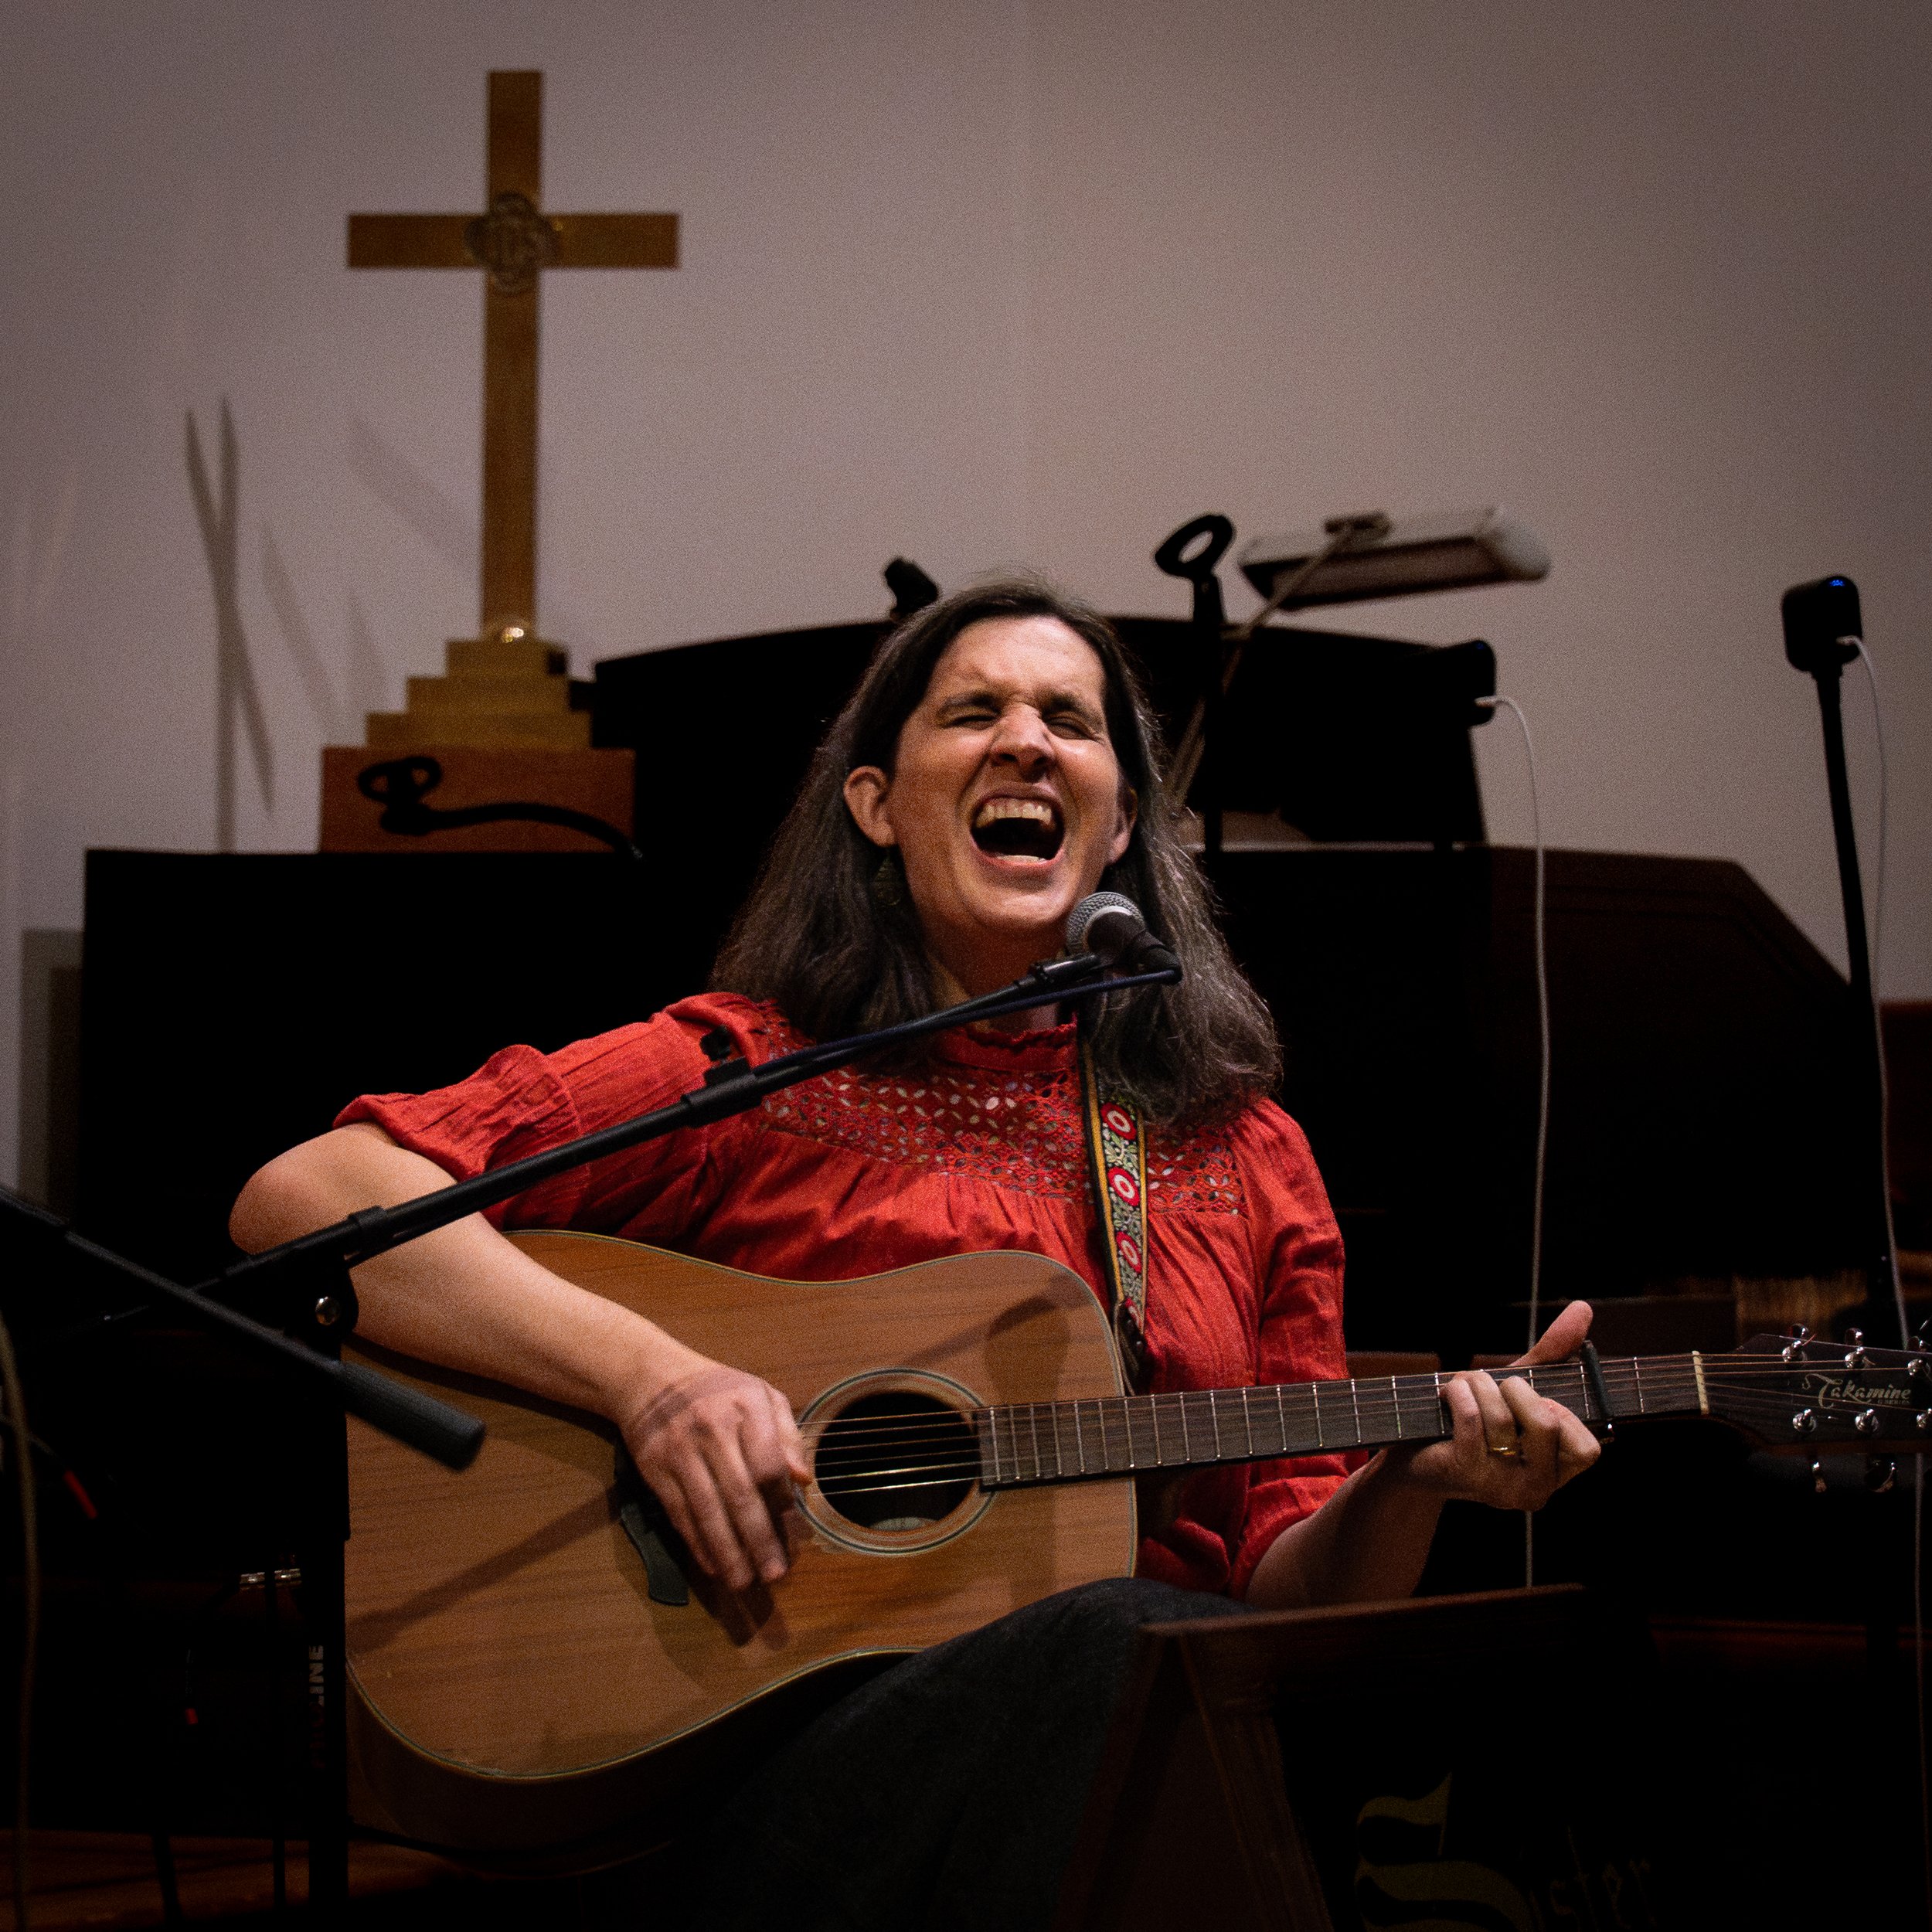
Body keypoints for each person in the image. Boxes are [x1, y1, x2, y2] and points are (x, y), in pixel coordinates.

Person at [232, 578, 1599, 1927]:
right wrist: (650, 1382)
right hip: (755, 1767)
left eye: (1070, 718)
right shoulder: (743, 1073)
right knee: (1132, 1642)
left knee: (1267, 1676)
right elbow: (310, 1195)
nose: (1025, 741)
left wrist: (1414, 1482)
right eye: (974, 712)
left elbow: (1283, 1607)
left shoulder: (1242, 1155)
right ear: (877, 805)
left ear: (1122, 821)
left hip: (1139, 1756)